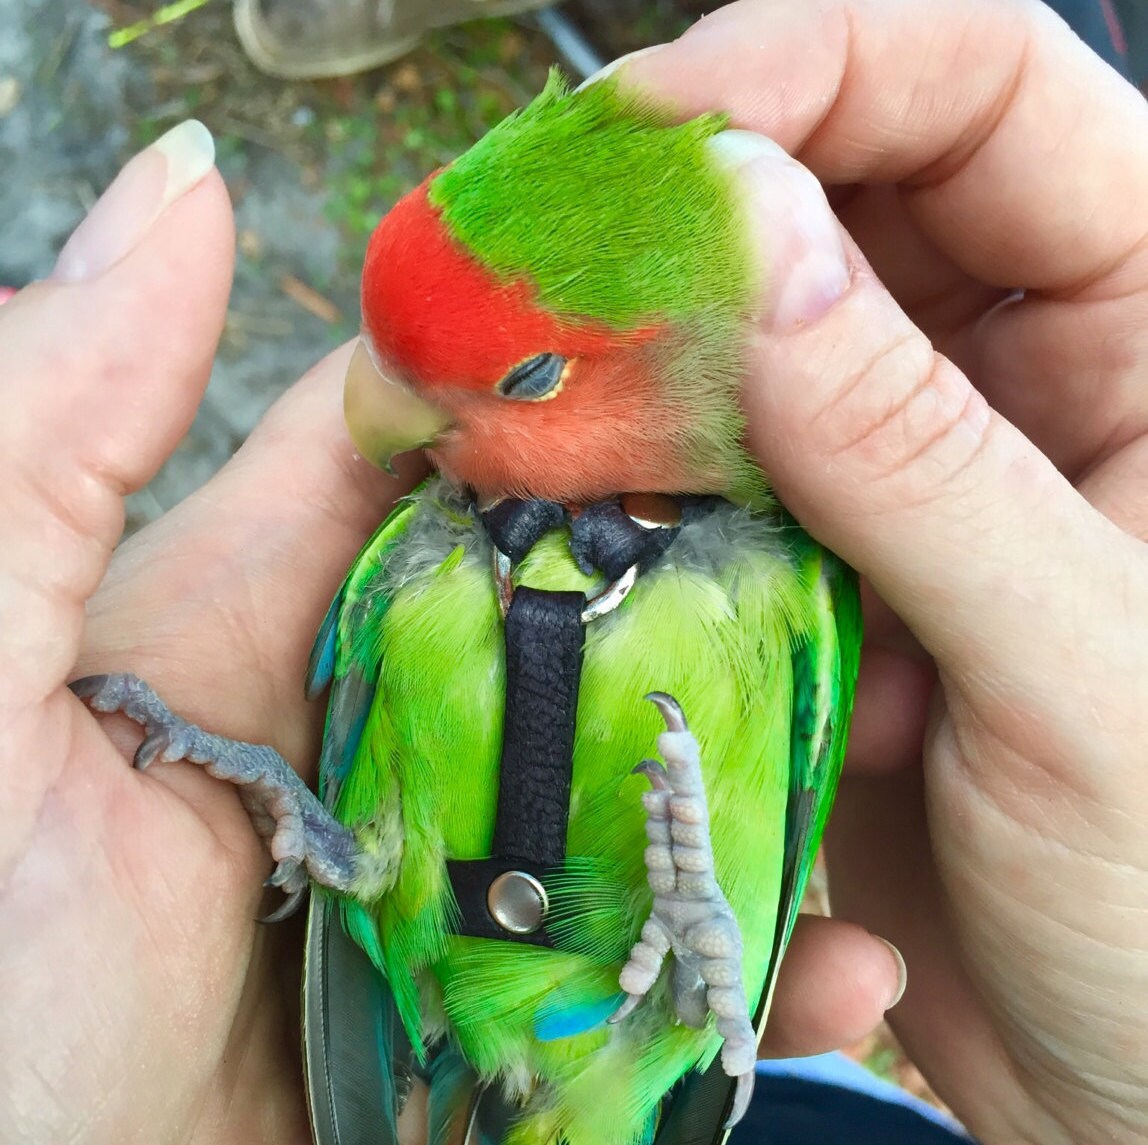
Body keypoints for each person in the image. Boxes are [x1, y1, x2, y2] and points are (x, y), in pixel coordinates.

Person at [1, 0, 1145, 1142]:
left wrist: (704, 932)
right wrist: (264, 795)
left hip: (623, 1075)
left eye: (533, 375)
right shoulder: (414, 549)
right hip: (430, 1010)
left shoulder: (793, 588)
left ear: (684, 369)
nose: (384, 410)